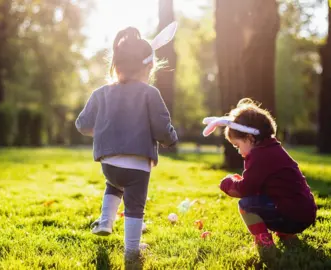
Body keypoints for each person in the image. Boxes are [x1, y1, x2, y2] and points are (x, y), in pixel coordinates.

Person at [75, 26, 178, 262]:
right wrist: (170, 140)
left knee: (113, 185)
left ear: (116, 64)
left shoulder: (100, 93)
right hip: (138, 165)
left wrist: (103, 132)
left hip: (109, 163)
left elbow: (82, 124)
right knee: (134, 206)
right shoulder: (150, 93)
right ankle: (132, 251)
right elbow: (162, 127)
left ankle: (105, 221)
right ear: (149, 66)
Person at [203, 98, 316, 251]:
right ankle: (287, 234)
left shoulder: (259, 156)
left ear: (250, 138)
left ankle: (264, 241)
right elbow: (262, 184)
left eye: (238, 145)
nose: (238, 151)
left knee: (246, 205)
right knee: (271, 199)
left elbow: (245, 190)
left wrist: (228, 184)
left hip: (292, 215)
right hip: (305, 212)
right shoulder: (272, 148)